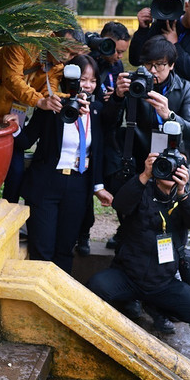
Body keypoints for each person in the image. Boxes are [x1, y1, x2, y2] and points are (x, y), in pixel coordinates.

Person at [87, 153, 190, 334]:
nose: (170, 174)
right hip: (128, 276)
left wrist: (182, 192)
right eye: (165, 167)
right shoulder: (141, 190)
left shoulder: (184, 198)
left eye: (175, 170)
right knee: (95, 286)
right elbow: (120, 205)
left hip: (163, 282)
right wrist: (145, 175)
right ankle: (130, 300)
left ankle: (156, 307)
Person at [12, 54, 113, 275]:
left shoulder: (96, 111)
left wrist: (98, 187)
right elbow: (26, 141)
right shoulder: (53, 106)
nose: (88, 85)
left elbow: (97, 153)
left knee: (65, 249)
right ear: (70, 79)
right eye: (83, 79)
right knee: (42, 248)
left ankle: (59, 291)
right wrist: (13, 127)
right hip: (47, 184)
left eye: (93, 80)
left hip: (78, 185)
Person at [0, 26, 86, 203]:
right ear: (52, 37)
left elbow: (49, 93)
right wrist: (40, 101)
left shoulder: (56, 67)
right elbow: (12, 80)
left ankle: (9, 212)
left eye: (73, 55)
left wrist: (72, 100)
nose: (66, 57)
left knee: (16, 172)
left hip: (11, 122)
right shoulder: (21, 44)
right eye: (65, 50)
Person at [107, 35, 190, 172]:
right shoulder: (134, 85)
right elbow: (109, 125)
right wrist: (117, 97)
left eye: (159, 64)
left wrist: (169, 116)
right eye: (148, 64)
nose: (153, 70)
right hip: (136, 157)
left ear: (172, 65)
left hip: (171, 159)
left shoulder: (184, 88)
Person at [76, 21, 130, 254]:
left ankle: (124, 231)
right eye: (116, 51)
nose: (119, 57)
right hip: (86, 130)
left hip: (109, 132)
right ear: (104, 43)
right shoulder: (86, 63)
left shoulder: (118, 67)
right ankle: (83, 236)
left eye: (123, 53)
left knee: (116, 181)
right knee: (84, 184)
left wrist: (116, 98)